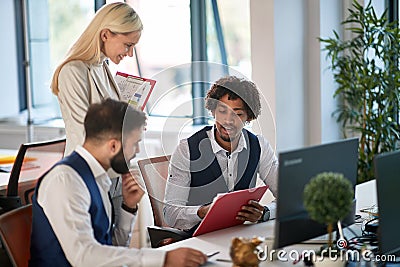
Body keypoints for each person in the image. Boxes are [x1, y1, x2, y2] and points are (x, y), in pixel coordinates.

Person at [29, 99, 207, 267]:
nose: (136, 151)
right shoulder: (65, 180)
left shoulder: (98, 177)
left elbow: (112, 248)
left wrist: (128, 208)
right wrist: (163, 258)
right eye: (135, 144)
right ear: (113, 146)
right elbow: (83, 257)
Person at [50, 1, 142, 224]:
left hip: (114, 173)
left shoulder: (103, 67)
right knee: (97, 251)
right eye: (127, 45)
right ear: (105, 35)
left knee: (118, 244)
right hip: (89, 176)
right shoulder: (73, 71)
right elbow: (87, 134)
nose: (129, 54)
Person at [164, 76, 278, 233]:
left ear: (248, 117)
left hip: (240, 236)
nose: (228, 120)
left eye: (237, 114)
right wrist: (202, 211)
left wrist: (265, 212)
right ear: (213, 111)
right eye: (222, 111)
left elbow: (287, 196)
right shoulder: (187, 149)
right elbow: (170, 214)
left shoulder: (259, 146)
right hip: (199, 239)